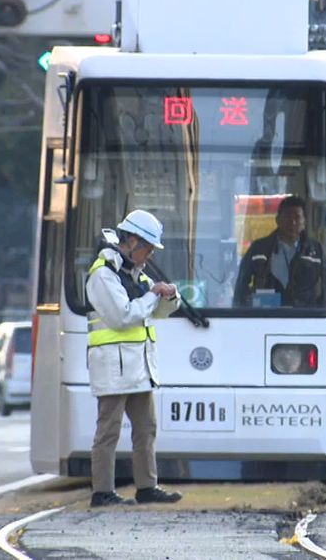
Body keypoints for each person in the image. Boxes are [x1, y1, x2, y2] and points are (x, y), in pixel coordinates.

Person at [84, 209, 184, 507]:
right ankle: (102, 492)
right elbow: (123, 316)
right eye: (147, 248)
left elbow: (155, 312)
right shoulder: (103, 274)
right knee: (108, 432)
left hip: (138, 368)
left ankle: (147, 487)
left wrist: (169, 297)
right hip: (113, 368)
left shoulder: (134, 274)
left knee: (146, 428)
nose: (149, 255)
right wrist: (153, 294)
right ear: (130, 241)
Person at [233, 195, 326, 308]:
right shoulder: (259, 248)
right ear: (277, 220)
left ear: (304, 222)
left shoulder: (316, 251)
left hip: (305, 318)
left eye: (297, 217)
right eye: (287, 217)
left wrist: (317, 309)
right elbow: (241, 284)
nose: (292, 222)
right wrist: (250, 305)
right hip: (266, 316)